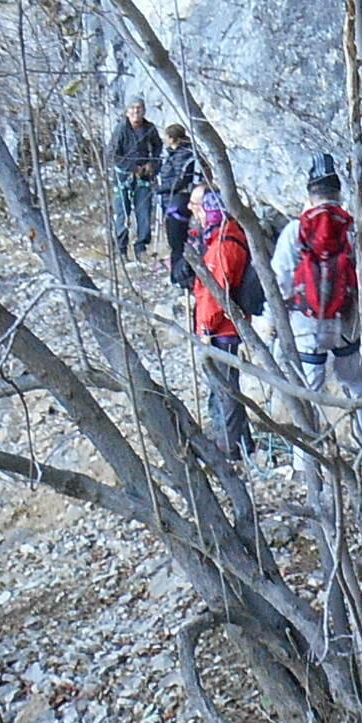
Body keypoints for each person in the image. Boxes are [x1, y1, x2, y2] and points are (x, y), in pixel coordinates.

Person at [276, 154, 362, 444]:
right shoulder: (352, 229)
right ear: (338, 193)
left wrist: (274, 319)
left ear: (310, 194)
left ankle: (308, 455)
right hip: (345, 320)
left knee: (309, 391)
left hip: (307, 322)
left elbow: (280, 279)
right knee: (354, 381)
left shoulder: (296, 231)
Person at [190, 183, 259, 461]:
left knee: (224, 389)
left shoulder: (225, 245)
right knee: (224, 386)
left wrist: (206, 328)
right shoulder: (224, 239)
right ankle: (242, 441)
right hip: (222, 326)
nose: (197, 215)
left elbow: (215, 292)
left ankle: (230, 447)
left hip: (222, 329)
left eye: (201, 210)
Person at [109, 100, 162, 261]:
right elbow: (112, 154)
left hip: (144, 176)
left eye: (139, 108)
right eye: (132, 108)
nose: (136, 111)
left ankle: (141, 248)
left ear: (144, 110)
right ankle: (121, 249)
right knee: (123, 213)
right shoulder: (121, 129)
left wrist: (152, 165)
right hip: (124, 176)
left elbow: (157, 148)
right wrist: (132, 167)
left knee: (144, 211)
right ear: (127, 111)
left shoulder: (150, 128)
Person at [155, 123, 201, 287]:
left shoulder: (183, 155)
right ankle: (180, 275)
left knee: (177, 243)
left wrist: (160, 189)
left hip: (177, 202)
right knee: (177, 242)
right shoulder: (175, 153)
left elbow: (180, 180)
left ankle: (179, 278)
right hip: (173, 200)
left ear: (172, 138)